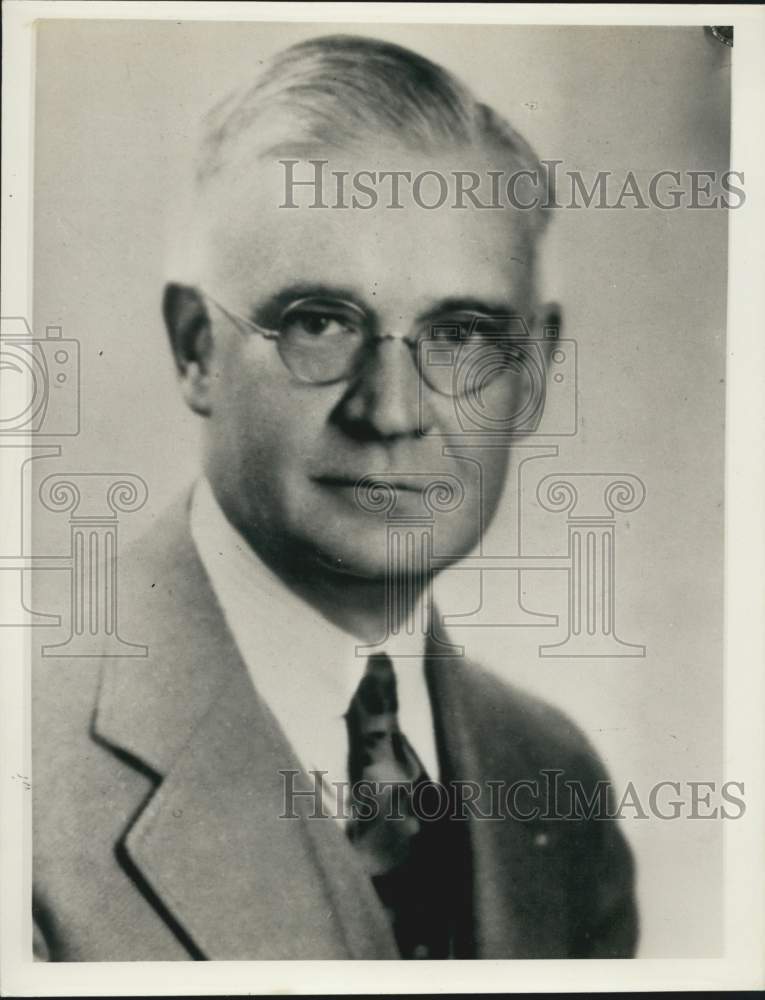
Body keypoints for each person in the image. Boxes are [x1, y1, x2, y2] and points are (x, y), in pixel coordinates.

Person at [32, 34, 638, 960]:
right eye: (319, 322)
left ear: (535, 371)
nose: (391, 411)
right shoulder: (30, 761)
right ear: (196, 348)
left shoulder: (556, 781)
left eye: (460, 334)